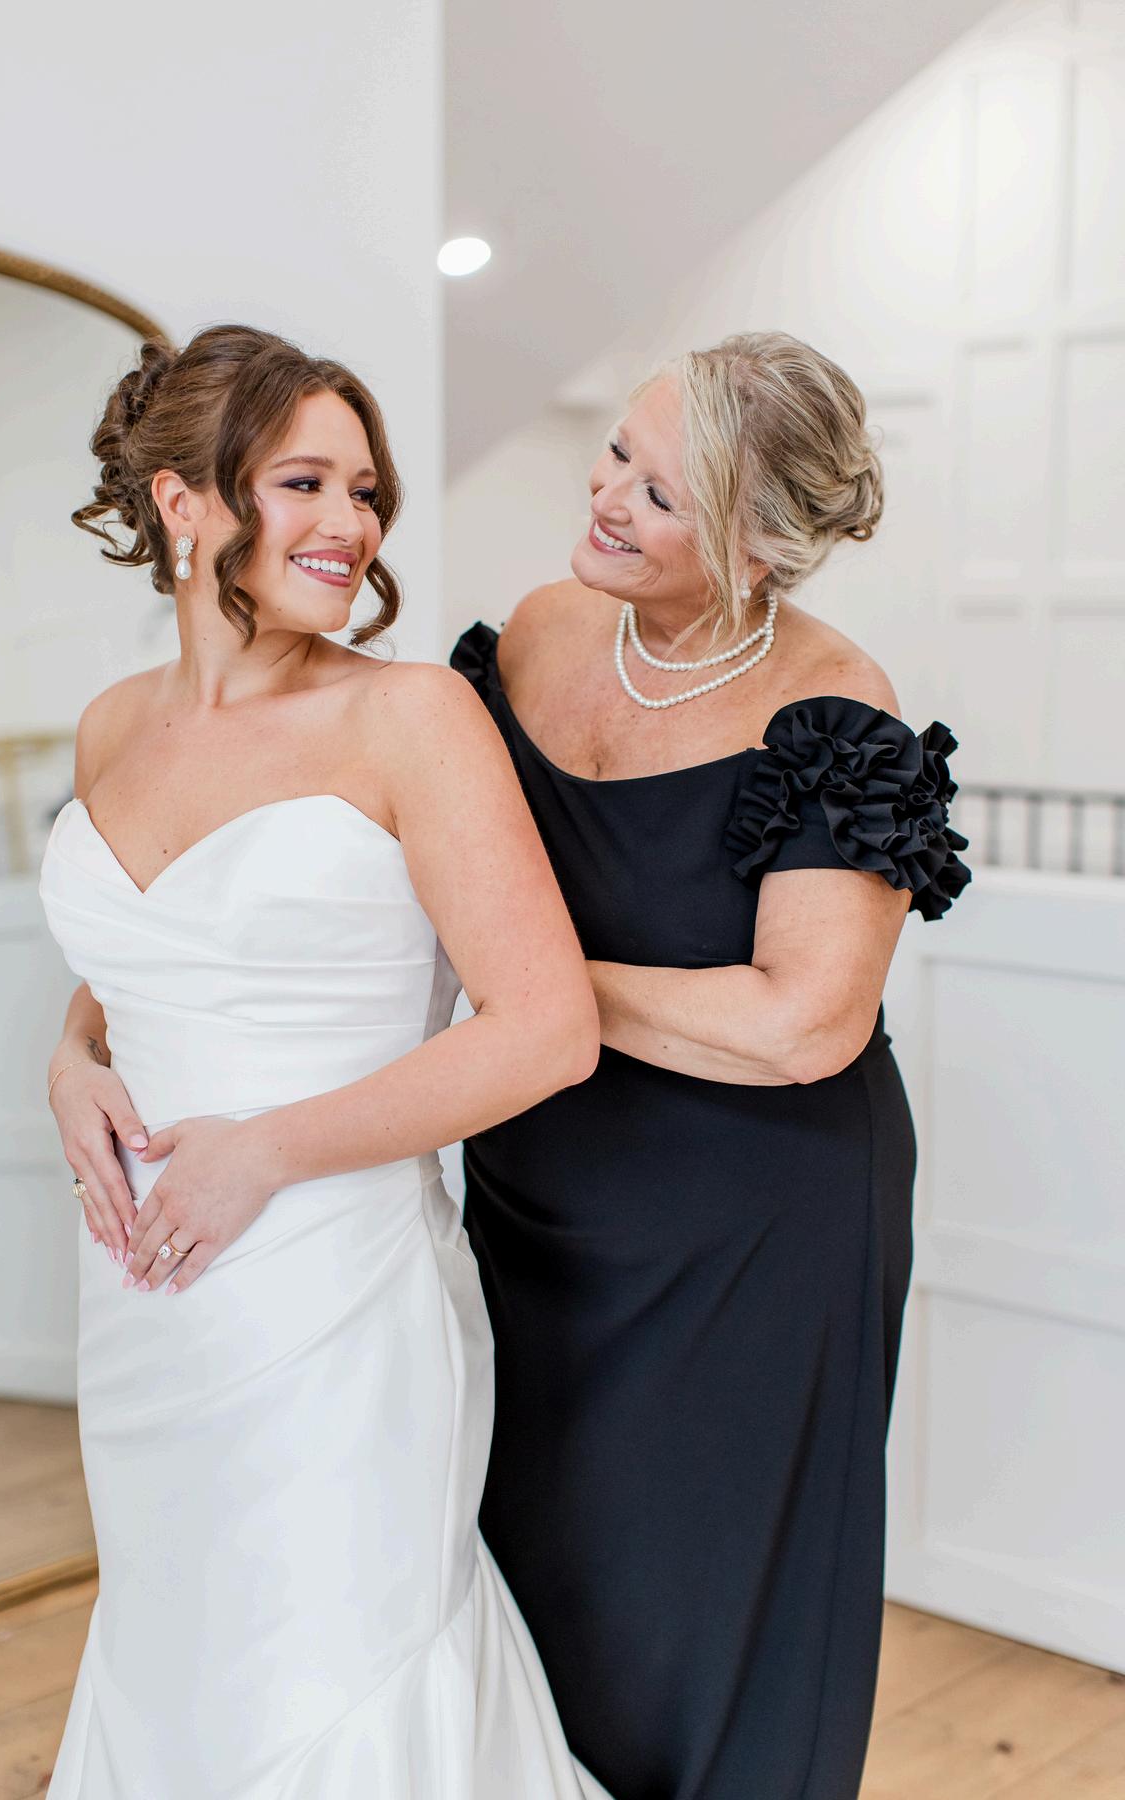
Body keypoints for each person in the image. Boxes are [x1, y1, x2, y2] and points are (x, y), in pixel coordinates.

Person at [39, 324, 611, 1798]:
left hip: (339, 1299)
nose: (351, 522)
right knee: (180, 1652)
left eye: (366, 491)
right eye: (304, 482)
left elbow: (547, 1028)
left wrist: (263, 1151)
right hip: (146, 1300)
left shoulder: (408, 715)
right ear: (183, 503)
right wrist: (71, 1055)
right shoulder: (111, 727)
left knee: (332, 1663)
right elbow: (143, 963)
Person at [450, 331, 971, 1800]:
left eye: (660, 494)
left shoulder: (837, 717)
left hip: (753, 1225)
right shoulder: (538, 633)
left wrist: (539, 994)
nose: (606, 494)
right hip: (539, 1198)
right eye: (619, 451)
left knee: (705, 1614)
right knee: (529, 1579)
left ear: (758, 549)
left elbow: (806, 1023)